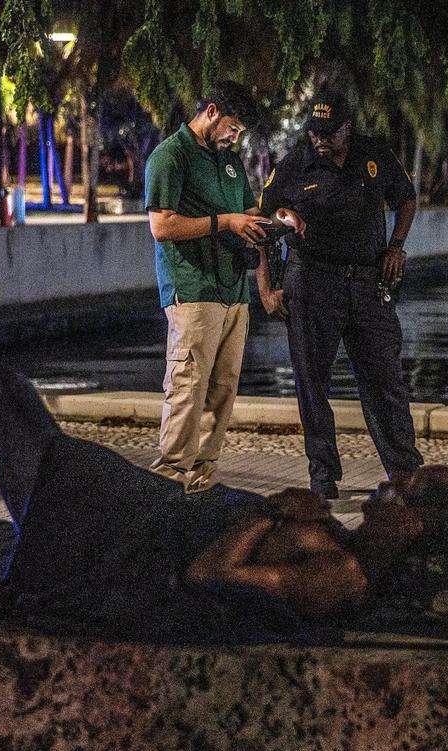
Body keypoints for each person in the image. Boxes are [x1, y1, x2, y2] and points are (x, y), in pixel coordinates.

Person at [0, 363, 448, 644]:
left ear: (418, 527)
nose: (401, 478)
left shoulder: (341, 572)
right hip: (116, 522)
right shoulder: (338, 544)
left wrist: (273, 512)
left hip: (107, 537)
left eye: (417, 488)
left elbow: (209, 576)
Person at [257, 92, 423, 499]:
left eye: (329, 133)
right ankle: (323, 476)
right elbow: (263, 217)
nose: (320, 140)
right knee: (312, 381)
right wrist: (265, 286)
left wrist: (397, 246)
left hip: (368, 283)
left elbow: (406, 199)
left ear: (348, 127)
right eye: (314, 132)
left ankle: (404, 472)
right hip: (312, 282)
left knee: (385, 379)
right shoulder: (296, 163)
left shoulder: (374, 156)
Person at [143, 80, 304, 493]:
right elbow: (162, 226)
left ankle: (201, 482)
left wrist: (274, 218)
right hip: (193, 289)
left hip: (233, 291)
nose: (236, 137)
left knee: (223, 390)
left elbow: (246, 210)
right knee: (188, 387)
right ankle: (169, 484)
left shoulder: (228, 161)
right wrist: (226, 223)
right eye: (233, 128)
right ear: (212, 111)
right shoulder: (170, 157)